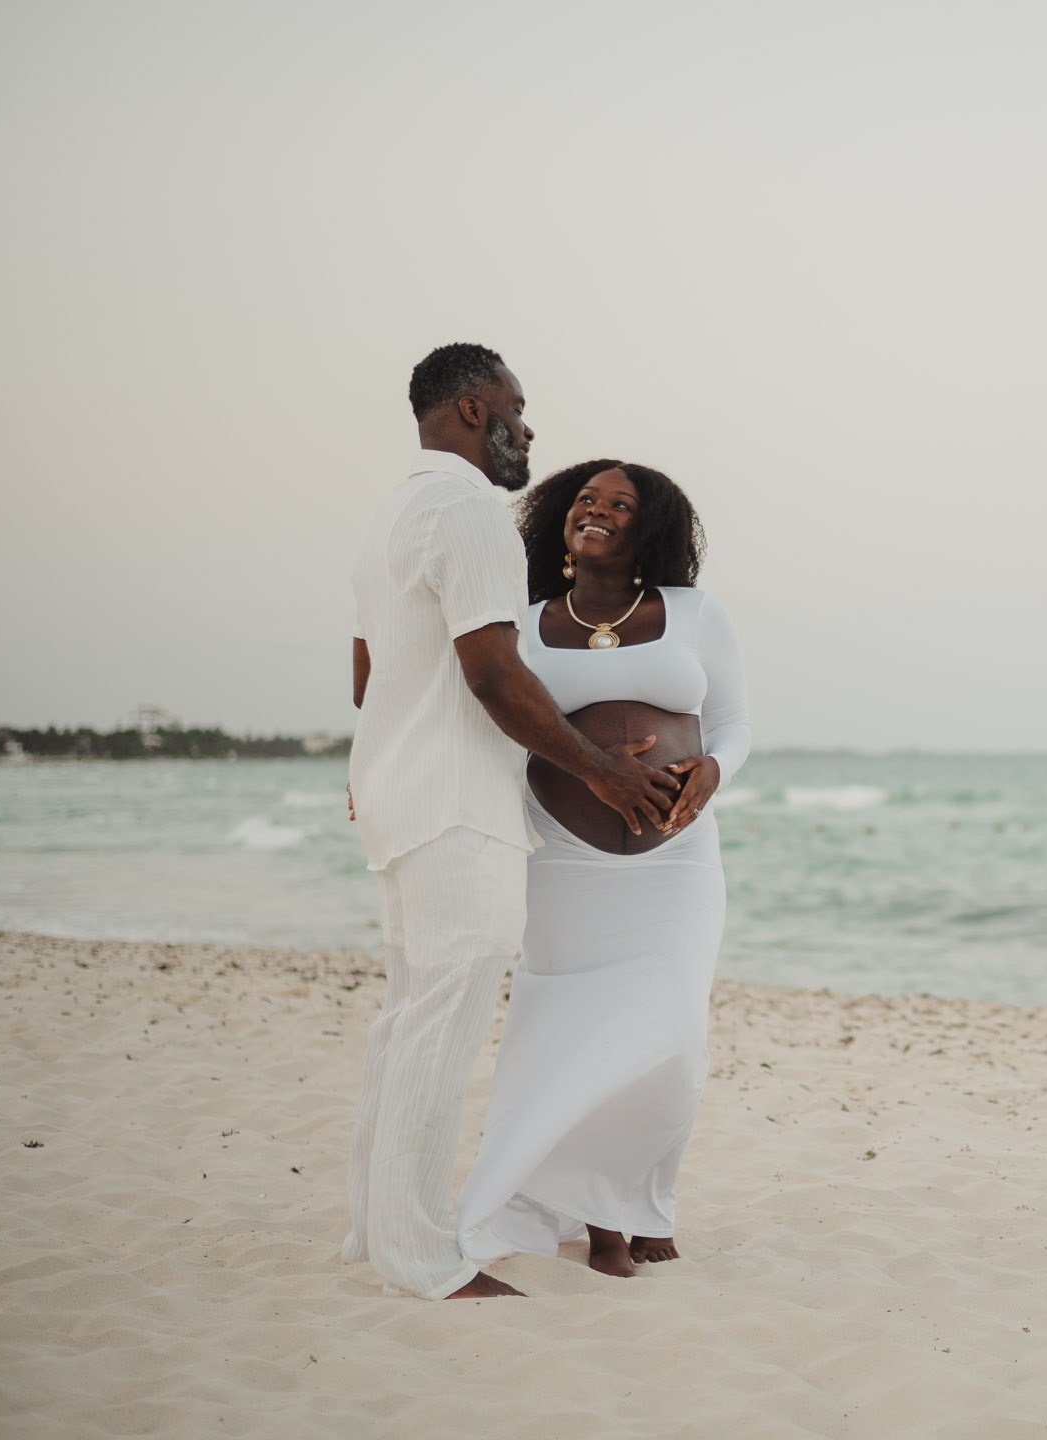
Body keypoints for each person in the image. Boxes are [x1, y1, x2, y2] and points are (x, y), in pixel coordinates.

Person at [343, 345, 680, 1300]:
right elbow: (494, 673)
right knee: (438, 1029)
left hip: (402, 796)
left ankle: (375, 1237)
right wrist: (608, 774)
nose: (528, 429)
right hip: (457, 808)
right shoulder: (468, 515)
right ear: (468, 407)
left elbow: (370, 678)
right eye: (517, 408)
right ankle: (420, 1260)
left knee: (406, 1022)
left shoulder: (389, 516)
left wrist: (372, 763)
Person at [454, 457, 749, 1278]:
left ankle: (638, 1196)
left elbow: (733, 723)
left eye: (621, 504)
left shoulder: (693, 613)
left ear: (647, 528)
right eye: (586, 499)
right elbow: (486, 725)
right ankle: (601, 1227)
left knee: (674, 1034)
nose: (600, 510)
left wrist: (715, 775)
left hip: (677, 858)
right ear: (560, 520)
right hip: (561, 855)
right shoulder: (522, 620)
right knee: (567, 1033)